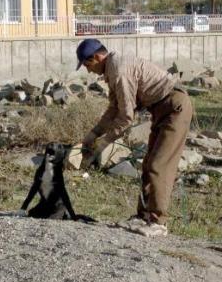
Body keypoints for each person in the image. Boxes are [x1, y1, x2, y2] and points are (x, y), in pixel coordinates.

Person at [77, 38, 192, 237]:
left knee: (159, 165)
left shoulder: (120, 71)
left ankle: (157, 222)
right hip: (161, 109)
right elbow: (114, 109)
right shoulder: (113, 69)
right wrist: (93, 134)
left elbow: (126, 117)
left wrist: (103, 143)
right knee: (148, 164)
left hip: (174, 108)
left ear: (97, 57)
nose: (88, 71)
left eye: (88, 65)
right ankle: (143, 217)